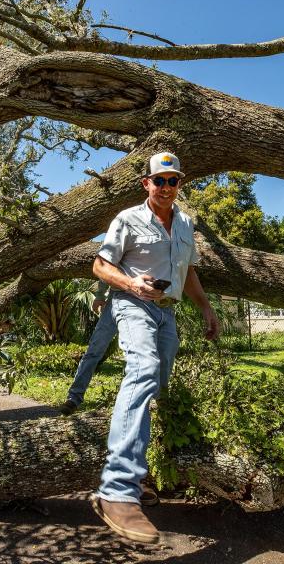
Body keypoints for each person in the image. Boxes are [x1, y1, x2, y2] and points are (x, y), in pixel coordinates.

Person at [89, 151, 219, 544]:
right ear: (146, 183)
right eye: (158, 180)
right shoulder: (127, 219)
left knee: (155, 387)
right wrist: (131, 285)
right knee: (143, 369)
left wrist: (206, 308)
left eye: (173, 180)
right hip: (132, 304)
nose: (166, 187)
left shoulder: (186, 223)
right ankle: (117, 491)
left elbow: (188, 271)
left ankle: (140, 469)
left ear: (180, 184)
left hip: (167, 314)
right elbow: (99, 265)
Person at [58, 281, 116, 416]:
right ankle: (74, 398)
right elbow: (108, 265)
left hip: (145, 303)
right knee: (93, 351)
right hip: (116, 301)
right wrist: (100, 295)